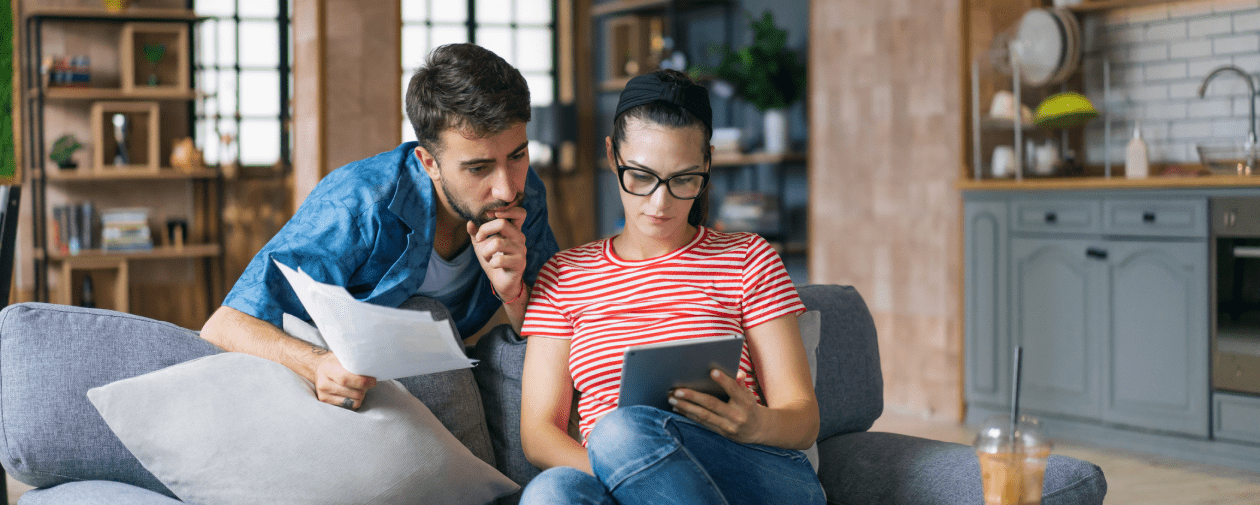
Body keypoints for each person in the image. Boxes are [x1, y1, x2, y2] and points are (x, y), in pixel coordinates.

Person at [516, 69, 825, 504]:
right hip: (625, 475)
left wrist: (754, 423)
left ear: (707, 165)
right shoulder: (564, 276)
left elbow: (803, 420)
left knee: (619, 429)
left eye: (683, 180)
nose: (660, 204)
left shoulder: (748, 257)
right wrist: (626, 474)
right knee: (551, 493)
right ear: (611, 155)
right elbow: (539, 434)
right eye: (640, 176)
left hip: (755, 470)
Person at [200, 43, 559, 412]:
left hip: (438, 368)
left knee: (525, 356)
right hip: (339, 381)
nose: (507, 188)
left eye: (517, 155)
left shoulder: (525, 194)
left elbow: (554, 328)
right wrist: (317, 364)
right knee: (422, 313)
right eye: (478, 168)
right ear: (429, 163)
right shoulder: (359, 202)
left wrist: (513, 293)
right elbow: (225, 325)